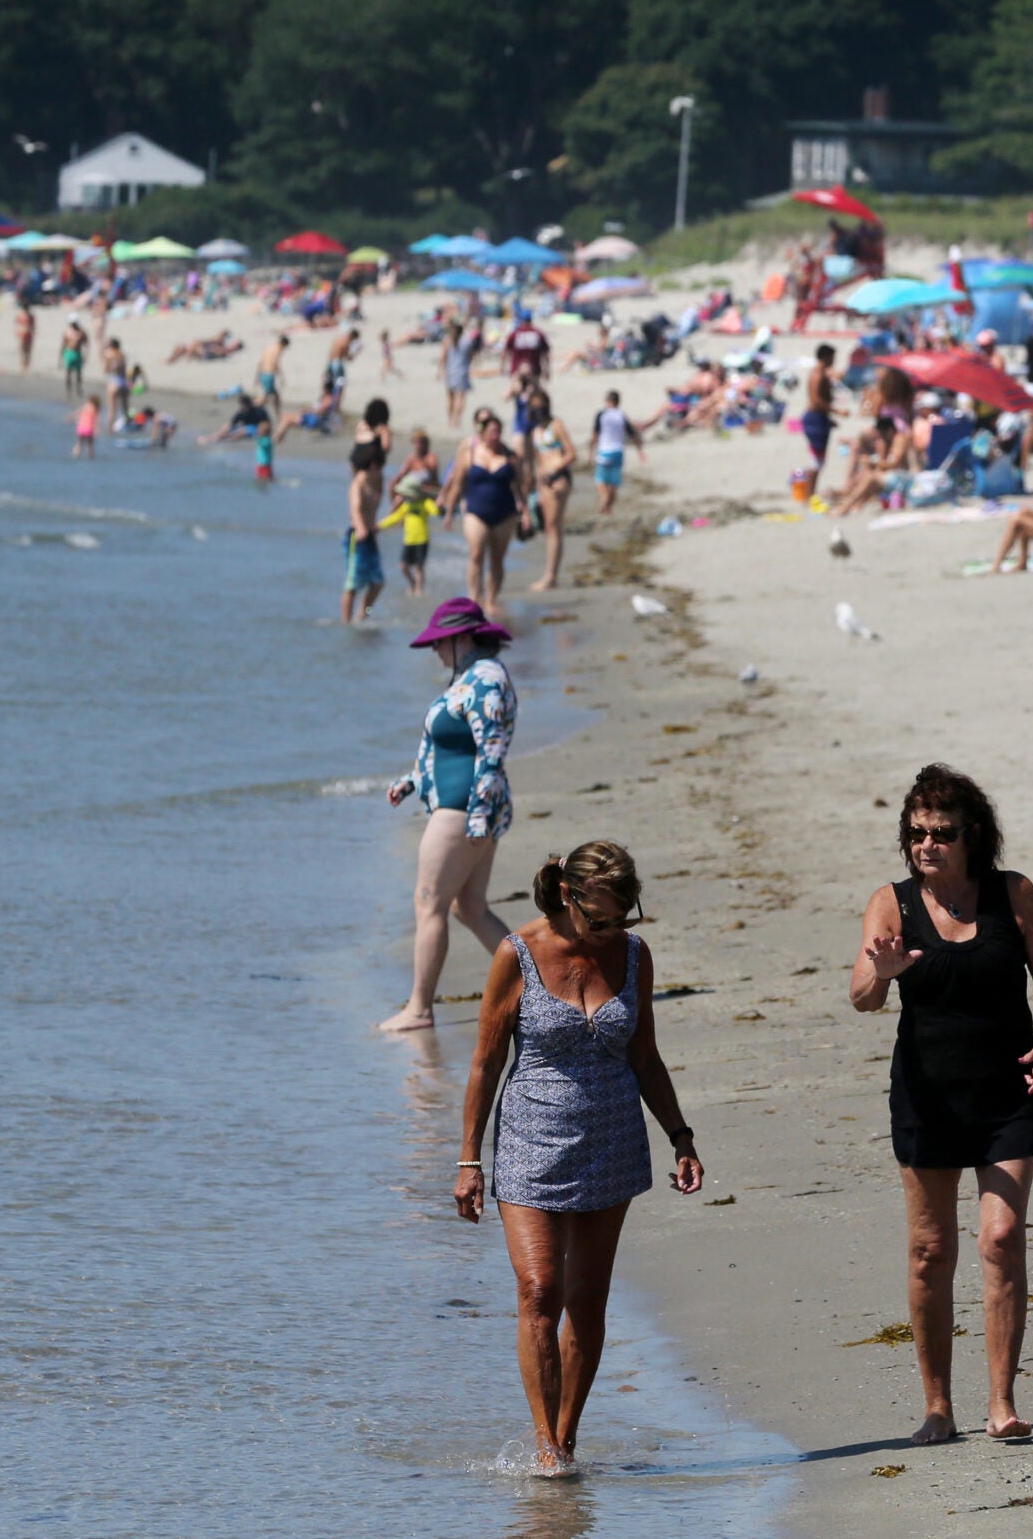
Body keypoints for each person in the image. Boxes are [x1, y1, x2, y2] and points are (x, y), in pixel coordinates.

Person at [454, 841, 701, 1477]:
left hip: (612, 1143)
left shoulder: (633, 955)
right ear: (570, 895)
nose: (612, 931)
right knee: (541, 1289)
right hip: (530, 1145)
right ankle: (545, 1447)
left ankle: (566, 1440)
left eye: (623, 918)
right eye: (601, 919)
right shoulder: (518, 954)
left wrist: (680, 1135)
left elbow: (644, 1055)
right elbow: (485, 1063)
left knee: (588, 1302)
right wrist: (468, 1160)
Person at [849, 766, 1033, 1444]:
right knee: (929, 1250)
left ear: (972, 835)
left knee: (1001, 1239)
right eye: (916, 833)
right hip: (927, 1095)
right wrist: (882, 975)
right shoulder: (892, 904)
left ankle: (1001, 1403)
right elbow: (861, 994)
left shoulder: (1013, 894)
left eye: (942, 833)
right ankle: (938, 1407)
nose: (927, 844)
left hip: (1010, 1091)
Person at [381, 597, 517, 1032]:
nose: (436, 651)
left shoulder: (486, 680)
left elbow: (491, 749)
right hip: (463, 806)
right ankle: (538, 986)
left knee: (429, 904)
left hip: (463, 811)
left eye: (440, 643)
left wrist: (477, 817)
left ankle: (419, 1009)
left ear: (461, 637)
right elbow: (448, 750)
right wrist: (413, 781)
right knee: (469, 907)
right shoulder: (467, 677)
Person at [442, 409, 526, 615]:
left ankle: (491, 599)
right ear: (483, 432)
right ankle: (474, 597)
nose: (494, 435)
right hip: (475, 511)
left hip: (504, 513)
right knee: (476, 554)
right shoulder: (469, 452)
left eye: (498, 431)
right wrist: (449, 510)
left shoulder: (510, 456)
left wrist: (525, 513)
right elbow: (458, 481)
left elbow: (521, 485)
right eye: (491, 431)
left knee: (497, 558)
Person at [525, 392, 576, 591]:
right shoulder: (535, 430)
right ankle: (549, 574)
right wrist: (536, 483)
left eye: (541, 407)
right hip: (544, 480)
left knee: (553, 527)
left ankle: (550, 577)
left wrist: (554, 470)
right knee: (548, 527)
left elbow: (571, 453)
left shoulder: (556, 425)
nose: (538, 411)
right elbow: (538, 460)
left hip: (558, 477)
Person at [342, 434, 388, 625]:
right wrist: (361, 527)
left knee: (377, 582)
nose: (378, 469)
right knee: (352, 584)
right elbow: (355, 507)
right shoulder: (358, 482)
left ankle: (364, 613)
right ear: (370, 464)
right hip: (357, 538)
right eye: (376, 465)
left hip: (370, 537)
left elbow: (378, 499)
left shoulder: (378, 479)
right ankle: (346, 622)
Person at [380, 470, 440, 595]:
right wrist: (380, 525)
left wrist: (437, 503)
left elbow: (435, 511)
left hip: (422, 539)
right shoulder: (406, 506)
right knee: (403, 566)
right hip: (408, 540)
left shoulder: (425, 503)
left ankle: (419, 590)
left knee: (419, 567)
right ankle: (412, 583)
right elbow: (395, 517)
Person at [591, 390, 646, 514]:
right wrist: (640, 451)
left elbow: (595, 435)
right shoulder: (621, 415)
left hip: (604, 450)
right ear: (618, 402)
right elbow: (633, 435)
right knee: (614, 481)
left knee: (600, 479)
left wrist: (591, 452)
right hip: (618, 451)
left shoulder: (601, 414)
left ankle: (604, 498)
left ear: (606, 401)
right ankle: (609, 509)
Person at [802, 343, 842, 467]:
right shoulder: (817, 374)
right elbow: (816, 400)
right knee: (816, 461)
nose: (834, 361)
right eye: (832, 357)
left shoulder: (822, 373)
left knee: (819, 461)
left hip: (820, 417)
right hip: (815, 417)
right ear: (825, 357)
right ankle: (810, 486)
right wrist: (837, 411)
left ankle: (811, 486)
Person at [442, 316, 475, 429]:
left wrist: (441, 371)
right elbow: (470, 357)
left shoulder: (447, 340)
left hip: (450, 371)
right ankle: (457, 421)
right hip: (462, 371)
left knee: (450, 397)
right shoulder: (467, 341)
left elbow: (443, 357)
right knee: (460, 397)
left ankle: (450, 420)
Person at [60, 316, 88, 398]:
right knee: (68, 372)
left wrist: (85, 355)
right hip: (68, 352)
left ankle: (78, 389)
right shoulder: (67, 331)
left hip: (77, 353)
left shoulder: (82, 332)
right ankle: (68, 390)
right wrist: (61, 356)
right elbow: (63, 344)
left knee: (78, 373)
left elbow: (86, 344)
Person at [73, 388, 98, 459]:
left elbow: (77, 412)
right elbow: (95, 421)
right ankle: (90, 455)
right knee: (90, 444)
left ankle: (75, 454)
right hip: (89, 429)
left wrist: (71, 417)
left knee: (79, 443)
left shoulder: (86, 406)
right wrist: (97, 429)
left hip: (81, 428)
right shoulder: (94, 409)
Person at [16, 302, 36, 372]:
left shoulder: (30, 316)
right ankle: (23, 366)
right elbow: (17, 324)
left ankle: (26, 366)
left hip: (28, 334)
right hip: (23, 334)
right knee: (23, 351)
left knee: (27, 351)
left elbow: (33, 326)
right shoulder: (21, 315)